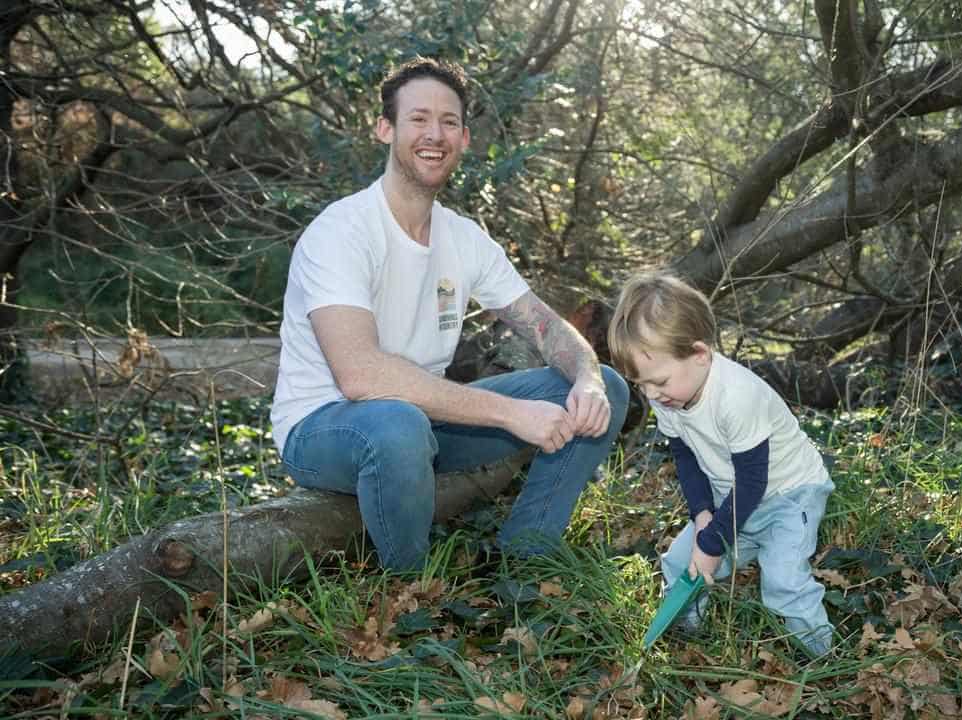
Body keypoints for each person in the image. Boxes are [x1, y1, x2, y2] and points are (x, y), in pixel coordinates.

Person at [270, 56, 629, 571]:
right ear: (385, 128)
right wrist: (511, 414)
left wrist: (587, 377)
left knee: (608, 390)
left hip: (424, 422)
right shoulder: (342, 231)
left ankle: (523, 562)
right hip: (322, 429)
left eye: (449, 122)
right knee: (398, 424)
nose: (433, 134)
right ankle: (405, 590)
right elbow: (359, 375)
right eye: (418, 119)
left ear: (464, 139)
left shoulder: (464, 238)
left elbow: (544, 324)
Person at [607, 272, 835, 657]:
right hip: (732, 497)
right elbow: (686, 459)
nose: (650, 394)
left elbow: (752, 480)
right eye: (640, 384)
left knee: (783, 581)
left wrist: (713, 542)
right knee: (681, 562)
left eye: (657, 381)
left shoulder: (735, 396)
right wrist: (701, 518)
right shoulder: (670, 397)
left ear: (699, 354)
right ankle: (686, 635)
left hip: (789, 496)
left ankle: (821, 656)